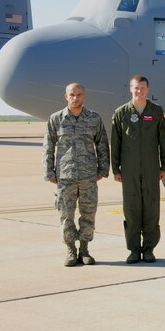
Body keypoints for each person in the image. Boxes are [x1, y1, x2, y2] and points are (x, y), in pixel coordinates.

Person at [43, 83, 110, 266]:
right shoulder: (56, 119)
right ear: (66, 97)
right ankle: (71, 249)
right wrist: (49, 172)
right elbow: (48, 147)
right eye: (72, 95)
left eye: (79, 94)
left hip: (89, 176)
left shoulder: (94, 118)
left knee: (88, 214)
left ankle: (85, 249)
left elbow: (102, 145)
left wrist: (102, 170)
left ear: (84, 96)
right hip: (65, 176)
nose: (75, 98)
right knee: (66, 215)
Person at [111, 75, 165, 264]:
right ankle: (134, 250)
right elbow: (116, 143)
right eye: (136, 88)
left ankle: (149, 249)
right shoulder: (121, 113)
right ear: (130, 89)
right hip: (129, 170)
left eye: (142, 88)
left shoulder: (156, 111)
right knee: (131, 209)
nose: (139, 91)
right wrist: (116, 169)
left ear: (148, 89)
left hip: (151, 168)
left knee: (152, 209)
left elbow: (164, 141)